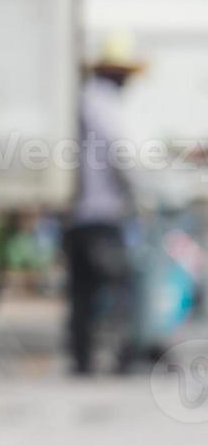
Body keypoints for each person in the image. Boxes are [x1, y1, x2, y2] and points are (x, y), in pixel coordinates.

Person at [63, 32, 146, 376]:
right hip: (102, 213)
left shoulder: (79, 100)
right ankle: (121, 358)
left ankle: (82, 360)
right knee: (118, 285)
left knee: (81, 290)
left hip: (74, 214)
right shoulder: (104, 104)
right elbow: (119, 155)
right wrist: (136, 195)